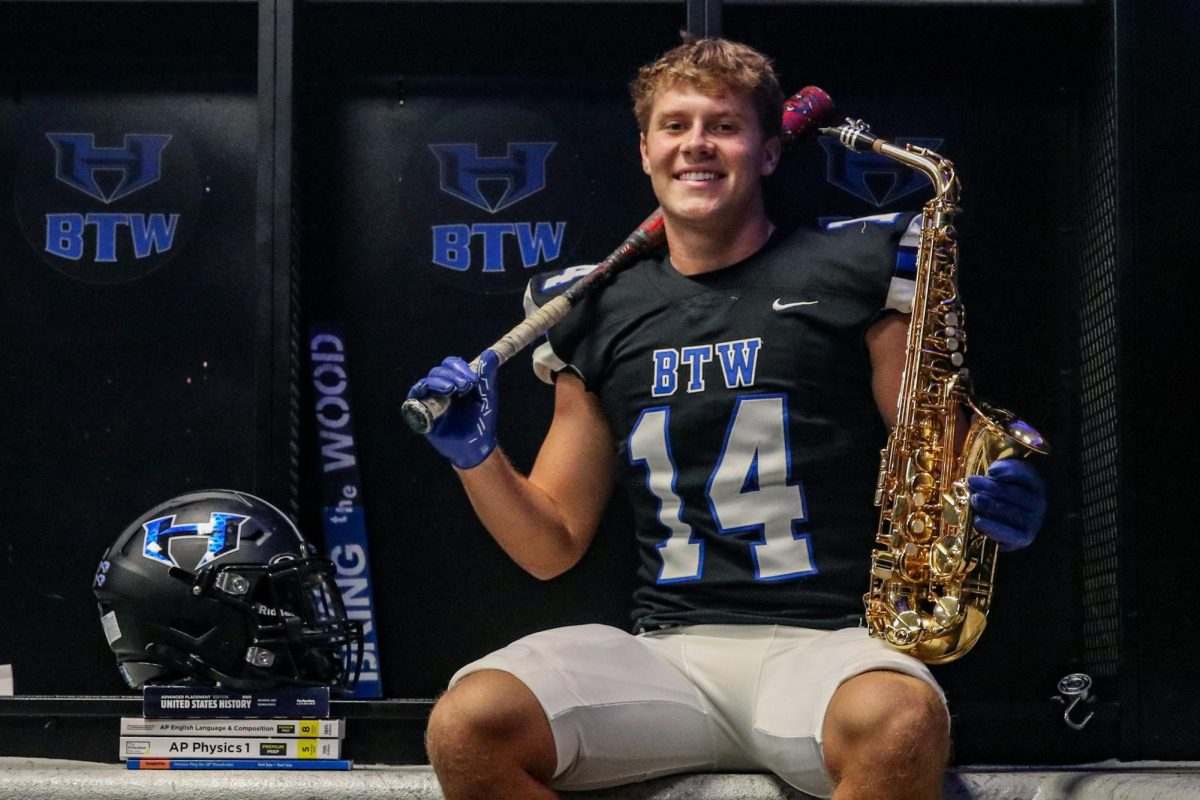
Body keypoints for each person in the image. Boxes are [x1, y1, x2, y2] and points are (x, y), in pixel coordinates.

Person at [407, 37, 1047, 800]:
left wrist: (995, 501)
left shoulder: (854, 268)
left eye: (724, 125)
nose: (696, 145)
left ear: (771, 151)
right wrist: (476, 458)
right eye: (675, 126)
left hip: (831, 647)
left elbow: (936, 455)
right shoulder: (594, 306)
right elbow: (552, 545)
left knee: (902, 722)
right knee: (468, 725)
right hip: (668, 652)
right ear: (644, 150)